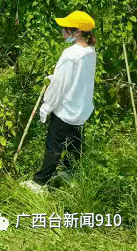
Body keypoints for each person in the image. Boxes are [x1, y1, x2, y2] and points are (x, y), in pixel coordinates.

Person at [21, 11, 97, 194]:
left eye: (66, 28)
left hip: (65, 109)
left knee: (54, 146)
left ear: (76, 31)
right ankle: (68, 174)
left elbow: (60, 84)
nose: (62, 31)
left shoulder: (70, 53)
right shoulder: (90, 52)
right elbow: (78, 79)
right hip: (81, 109)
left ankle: (40, 183)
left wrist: (47, 106)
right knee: (73, 144)